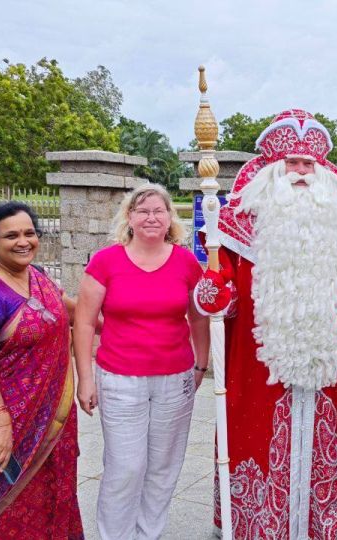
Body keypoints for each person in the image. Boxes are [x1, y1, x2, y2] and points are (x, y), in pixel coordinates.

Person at [194, 110, 337, 539]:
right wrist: (215, 293)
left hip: (331, 365)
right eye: (292, 163)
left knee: (333, 445)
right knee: (259, 443)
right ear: (272, 170)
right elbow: (223, 289)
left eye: (308, 164)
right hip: (258, 367)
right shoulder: (234, 225)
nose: (301, 173)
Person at [73, 183, 209, 539]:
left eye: (158, 211)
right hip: (120, 379)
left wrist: (201, 364)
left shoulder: (186, 262)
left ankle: (149, 533)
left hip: (175, 378)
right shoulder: (106, 262)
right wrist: (85, 378)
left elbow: (198, 317)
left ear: (170, 219)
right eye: (143, 211)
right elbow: (85, 322)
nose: (151, 217)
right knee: (125, 466)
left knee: (164, 466)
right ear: (130, 217)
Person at [0, 202, 83, 538]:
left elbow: (79, 314)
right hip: (3, 417)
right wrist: (0, 423)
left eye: (29, 233)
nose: (23, 241)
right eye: (11, 235)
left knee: (55, 486)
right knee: (8, 499)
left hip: (52, 414)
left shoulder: (38, 278)